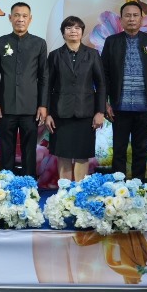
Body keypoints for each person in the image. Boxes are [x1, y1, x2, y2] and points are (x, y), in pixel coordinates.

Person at [101, 1, 147, 179]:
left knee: (141, 149)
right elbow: (103, 74)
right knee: (119, 150)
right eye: (127, 16)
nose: (131, 19)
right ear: (121, 20)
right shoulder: (112, 42)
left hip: (146, 107)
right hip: (119, 107)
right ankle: (118, 187)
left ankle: (139, 187)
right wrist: (105, 102)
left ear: (141, 19)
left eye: (135, 15)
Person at [0, 2, 48, 177]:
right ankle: (6, 185)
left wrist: (42, 105)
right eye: (16, 15)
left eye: (24, 16)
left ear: (30, 19)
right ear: (10, 18)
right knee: (6, 149)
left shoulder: (39, 43)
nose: (20, 19)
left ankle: (29, 185)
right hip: (5, 107)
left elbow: (43, 77)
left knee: (29, 150)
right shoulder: (0, 42)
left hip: (31, 108)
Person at [44, 16, 105, 181]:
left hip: (85, 112)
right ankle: (64, 192)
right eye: (69, 28)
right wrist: (47, 113)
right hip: (60, 112)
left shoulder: (92, 54)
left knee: (82, 155)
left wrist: (100, 112)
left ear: (82, 32)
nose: (73, 31)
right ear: (63, 33)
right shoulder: (55, 55)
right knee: (63, 154)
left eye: (77, 28)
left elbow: (101, 85)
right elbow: (47, 86)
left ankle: (79, 192)